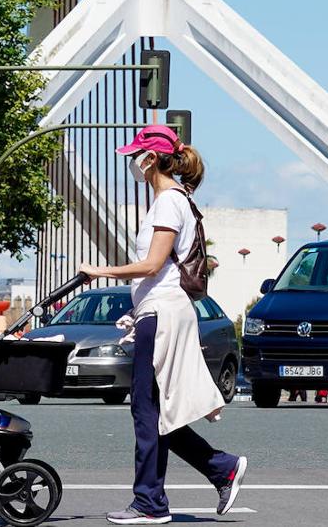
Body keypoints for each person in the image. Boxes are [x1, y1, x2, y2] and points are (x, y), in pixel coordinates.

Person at [79, 125, 248, 525]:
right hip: (160, 313)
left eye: (136, 155)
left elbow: (153, 265)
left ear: (151, 158)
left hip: (164, 315)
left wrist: (98, 270)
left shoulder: (168, 202)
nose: (132, 163)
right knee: (154, 411)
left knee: (145, 409)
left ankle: (150, 503)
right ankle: (218, 469)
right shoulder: (175, 200)